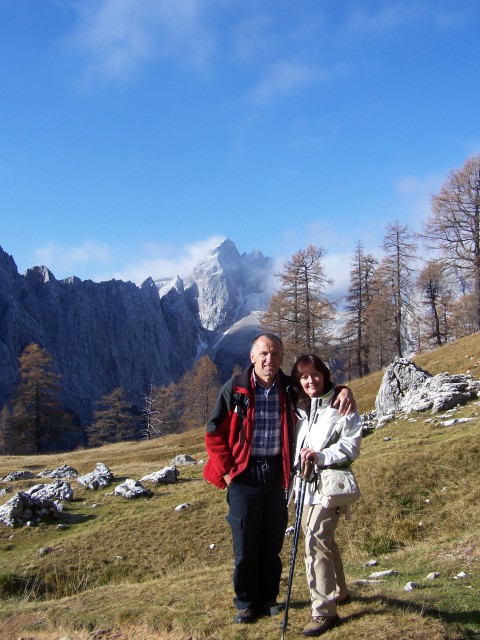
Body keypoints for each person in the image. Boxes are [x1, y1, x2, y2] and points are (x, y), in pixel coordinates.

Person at [203, 334, 355, 624]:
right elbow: (214, 432)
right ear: (252, 357)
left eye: (274, 353)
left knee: (272, 538)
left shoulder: (288, 388)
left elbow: (320, 391)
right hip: (244, 474)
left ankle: (270, 598)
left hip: (278, 472)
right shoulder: (235, 388)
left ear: (281, 357)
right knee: (245, 540)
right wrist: (228, 472)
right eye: (263, 353)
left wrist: (344, 390)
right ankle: (247, 602)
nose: (268, 359)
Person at [291, 354, 363, 637]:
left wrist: (320, 456)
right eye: (304, 377)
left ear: (325, 375)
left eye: (315, 374)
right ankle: (340, 592)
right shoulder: (302, 409)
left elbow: (351, 446)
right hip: (306, 488)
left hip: (330, 488)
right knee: (322, 539)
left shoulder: (341, 406)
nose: (310, 380)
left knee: (314, 540)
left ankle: (324, 612)